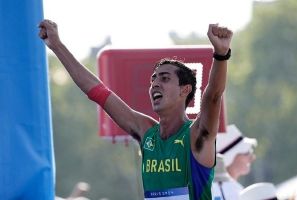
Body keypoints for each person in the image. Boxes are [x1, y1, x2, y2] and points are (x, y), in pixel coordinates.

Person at [38, 19, 232, 200]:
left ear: (185, 90)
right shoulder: (146, 132)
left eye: (164, 78)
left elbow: (213, 96)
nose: (155, 84)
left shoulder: (196, 135)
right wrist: (57, 46)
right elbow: (96, 91)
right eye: (153, 80)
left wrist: (221, 55)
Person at [211, 124, 257, 200]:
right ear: (229, 158)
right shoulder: (219, 192)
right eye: (247, 152)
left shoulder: (236, 189)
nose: (252, 157)